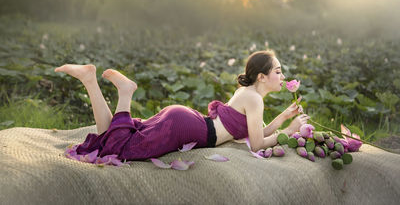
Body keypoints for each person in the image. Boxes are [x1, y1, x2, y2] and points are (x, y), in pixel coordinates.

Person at [55, 50, 310, 162]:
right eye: (278, 71)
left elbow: (256, 133)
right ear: (262, 77)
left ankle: (90, 80)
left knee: (114, 137)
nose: (283, 76)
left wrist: (286, 117)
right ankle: (125, 92)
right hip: (186, 127)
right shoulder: (254, 99)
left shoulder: (250, 95)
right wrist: (289, 132)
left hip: (187, 120)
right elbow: (256, 144)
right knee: (120, 148)